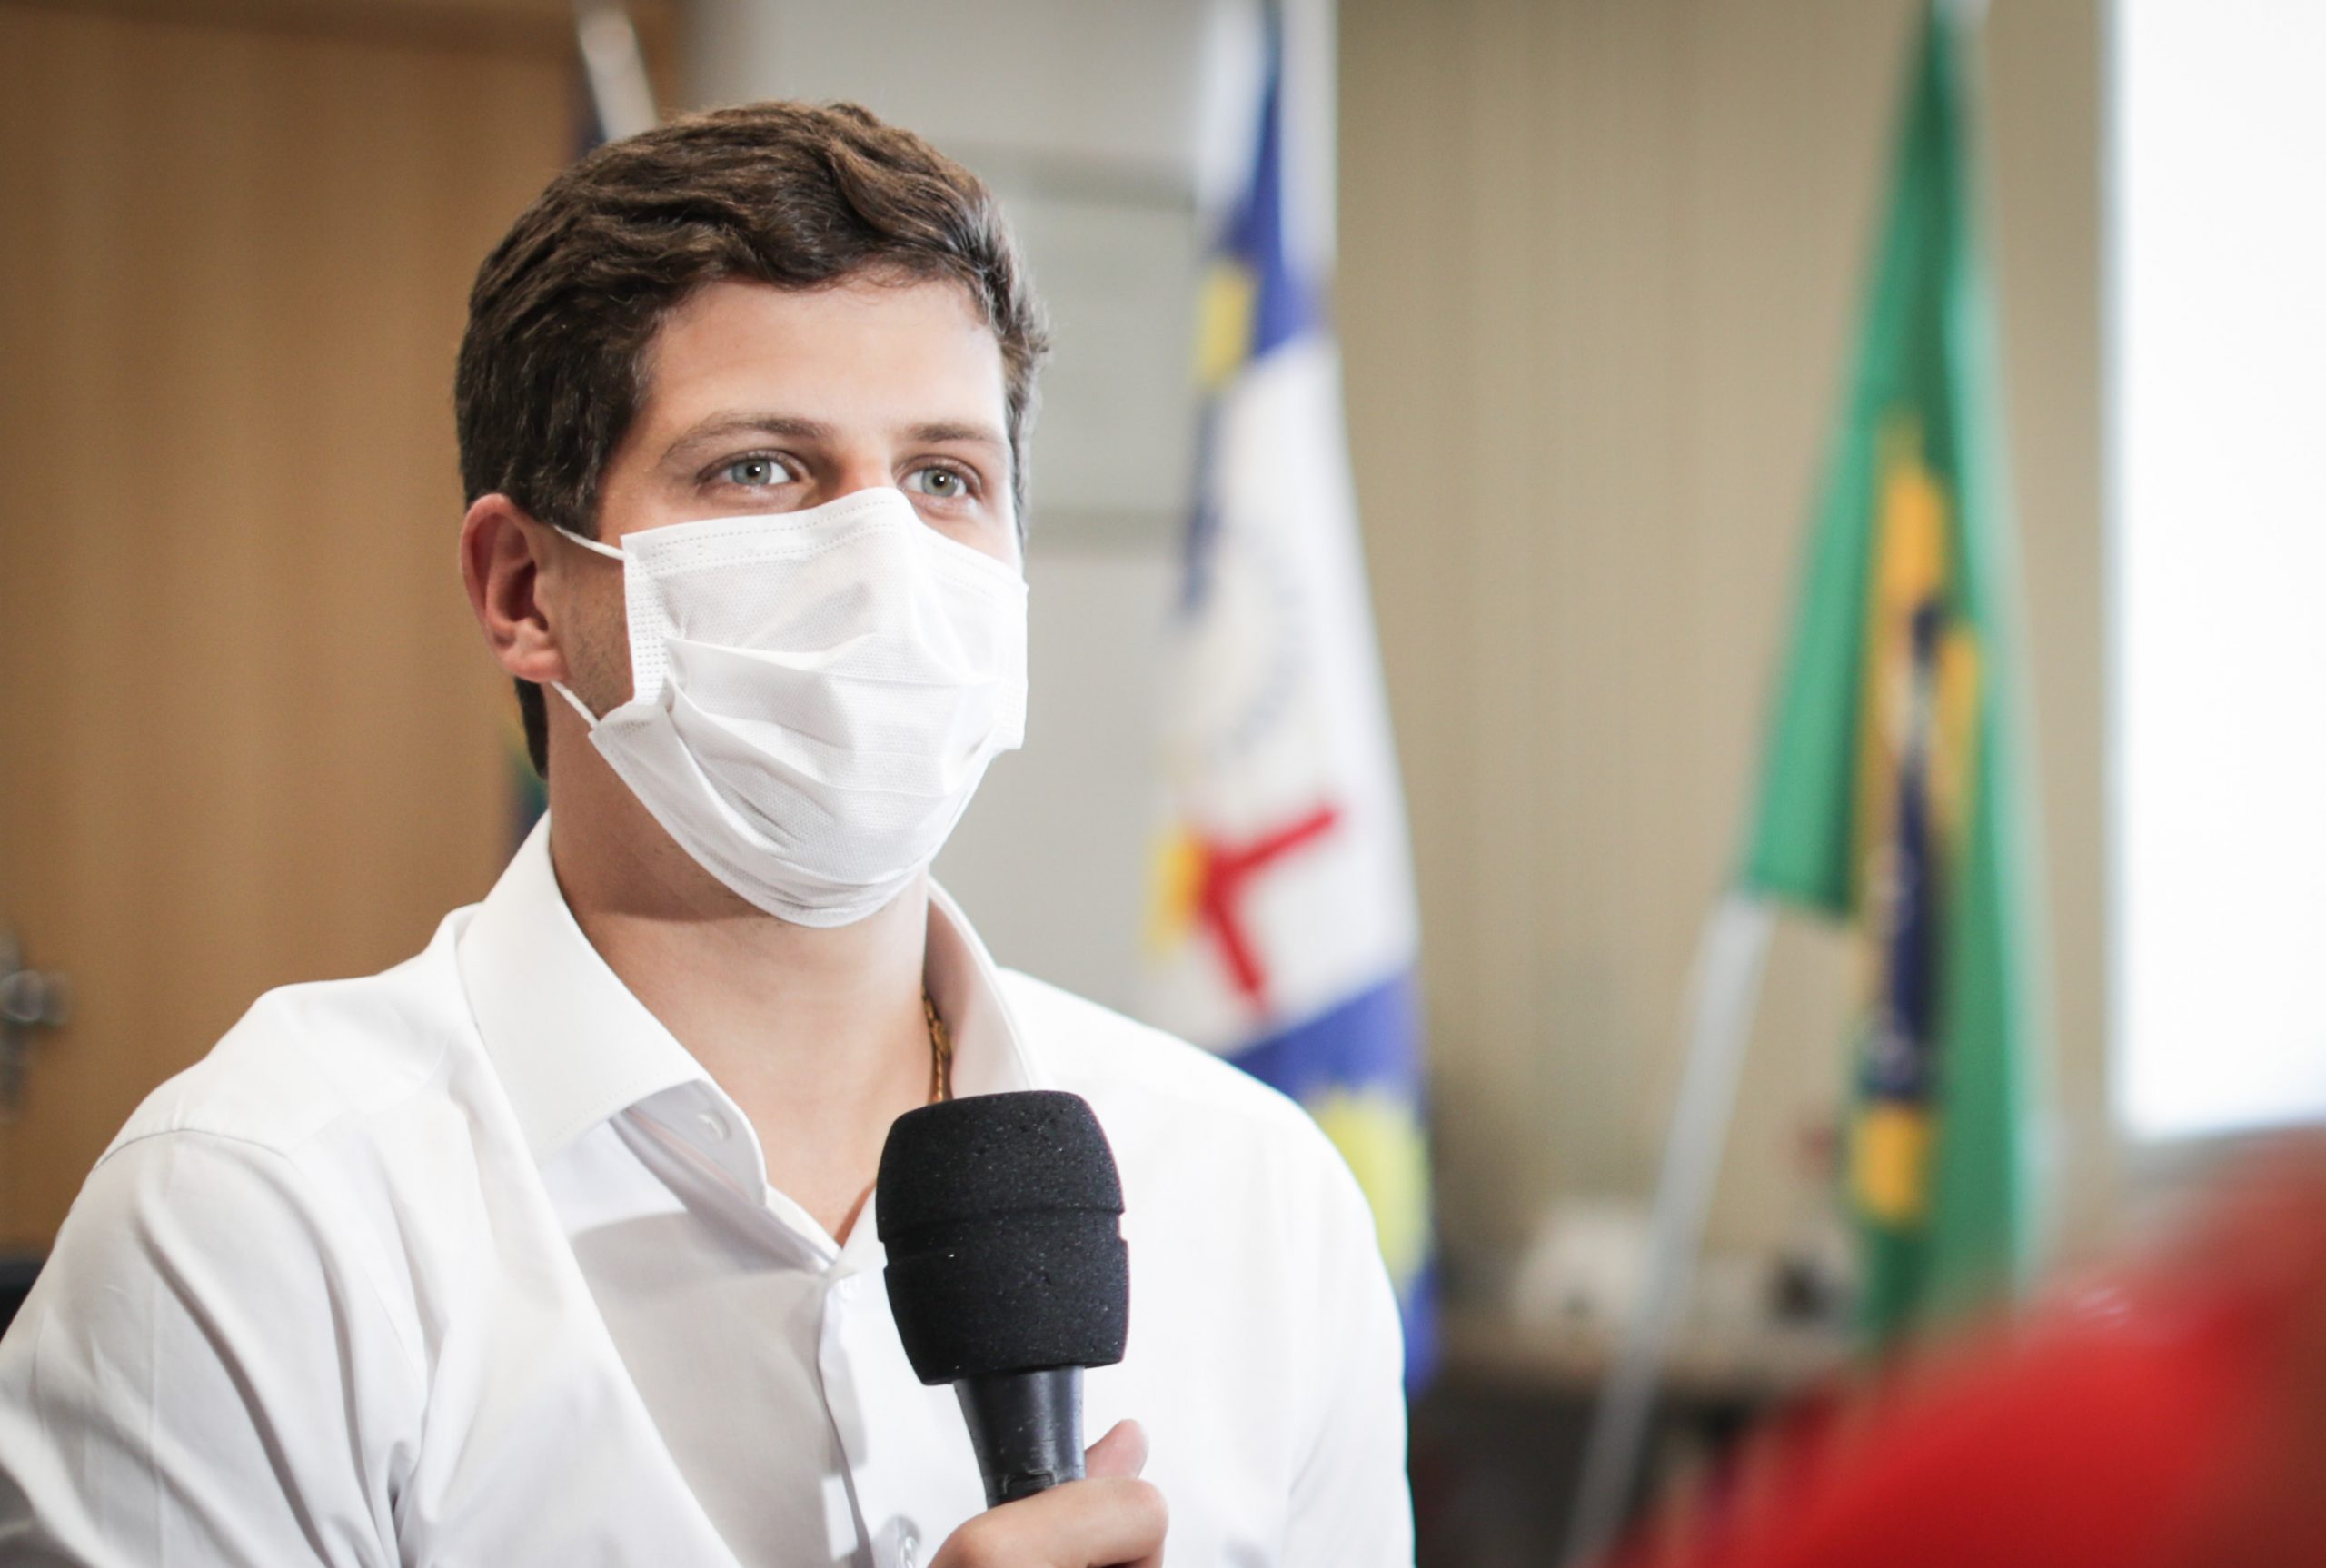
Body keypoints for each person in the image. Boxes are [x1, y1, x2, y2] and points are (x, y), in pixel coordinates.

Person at [0, 103, 1410, 1567]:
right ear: (525, 589)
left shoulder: (1256, 1195)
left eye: (944, 476)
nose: (884, 563)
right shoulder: (255, 1217)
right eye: (761, 468)